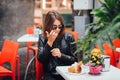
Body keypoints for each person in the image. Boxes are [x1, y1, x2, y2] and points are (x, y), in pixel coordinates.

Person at [37, 10, 77, 80]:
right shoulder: (42, 37)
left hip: (66, 72)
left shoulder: (69, 37)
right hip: (50, 74)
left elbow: (75, 60)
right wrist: (49, 43)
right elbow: (41, 59)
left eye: (60, 26)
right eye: (54, 27)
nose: (58, 29)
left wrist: (61, 55)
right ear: (48, 26)